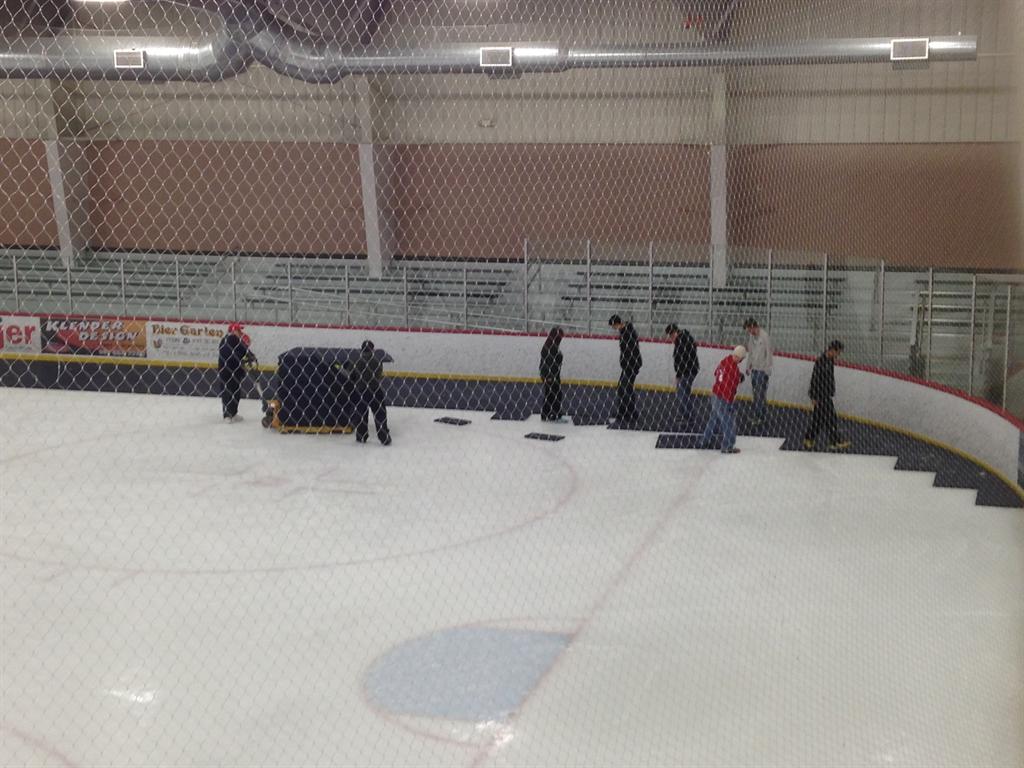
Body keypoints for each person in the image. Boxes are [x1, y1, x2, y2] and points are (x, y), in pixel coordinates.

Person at [803, 340, 851, 451]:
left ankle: (809, 438)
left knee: (819, 419)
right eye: (838, 352)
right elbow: (814, 379)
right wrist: (813, 396)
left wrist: (831, 390)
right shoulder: (820, 362)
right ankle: (834, 441)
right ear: (833, 350)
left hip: (826, 394)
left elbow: (830, 377)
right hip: (820, 395)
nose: (838, 355)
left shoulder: (830, 361)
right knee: (830, 418)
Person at [699, 345, 746, 454]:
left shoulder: (725, 360)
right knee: (728, 423)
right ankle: (727, 446)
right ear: (740, 357)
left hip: (715, 395)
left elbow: (716, 372)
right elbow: (730, 389)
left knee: (713, 420)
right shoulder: (734, 370)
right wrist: (730, 404)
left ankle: (704, 441)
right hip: (723, 398)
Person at [351, 339, 391, 445]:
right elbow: (379, 374)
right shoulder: (377, 361)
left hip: (361, 390)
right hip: (375, 390)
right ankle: (383, 437)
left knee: (361, 413)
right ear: (372, 350)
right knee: (380, 414)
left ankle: (361, 435)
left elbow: (352, 375)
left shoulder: (356, 360)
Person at [609, 314, 643, 423]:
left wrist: (628, 364)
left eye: (613, 326)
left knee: (625, 388)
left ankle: (628, 412)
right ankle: (626, 411)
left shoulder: (627, 333)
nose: (614, 329)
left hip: (631, 365)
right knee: (624, 388)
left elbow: (630, 351)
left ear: (616, 324)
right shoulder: (626, 331)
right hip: (629, 365)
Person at [218, 322, 254, 423]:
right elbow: (228, 354)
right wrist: (241, 358)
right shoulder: (225, 341)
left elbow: (245, 350)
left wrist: (251, 356)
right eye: (238, 330)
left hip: (237, 372)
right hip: (226, 372)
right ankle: (227, 415)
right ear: (233, 331)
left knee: (236, 392)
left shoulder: (238, 341)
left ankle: (233, 413)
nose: (240, 332)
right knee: (227, 392)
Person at [666, 323, 699, 425]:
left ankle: (687, 416)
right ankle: (688, 416)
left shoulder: (681, 342)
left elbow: (681, 361)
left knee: (682, 395)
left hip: (686, 372)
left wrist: (678, 376)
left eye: (671, 336)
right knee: (685, 394)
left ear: (674, 333)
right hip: (691, 370)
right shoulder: (686, 338)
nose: (671, 339)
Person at [743, 318, 773, 425]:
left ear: (752, 326)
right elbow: (750, 352)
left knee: (760, 395)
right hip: (754, 370)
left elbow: (769, 354)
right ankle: (762, 416)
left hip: (762, 371)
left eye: (749, 330)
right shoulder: (752, 337)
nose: (749, 332)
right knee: (757, 395)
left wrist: (768, 370)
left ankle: (759, 416)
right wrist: (748, 367)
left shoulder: (764, 336)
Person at [539, 326, 566, 422]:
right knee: (553, 394)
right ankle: (552, 414)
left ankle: (550, 413)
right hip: (550, 375)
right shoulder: (550, 348)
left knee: (553, 394)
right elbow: (548, 363)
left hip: (553, 375)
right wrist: (548, 377)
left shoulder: (550, 346)